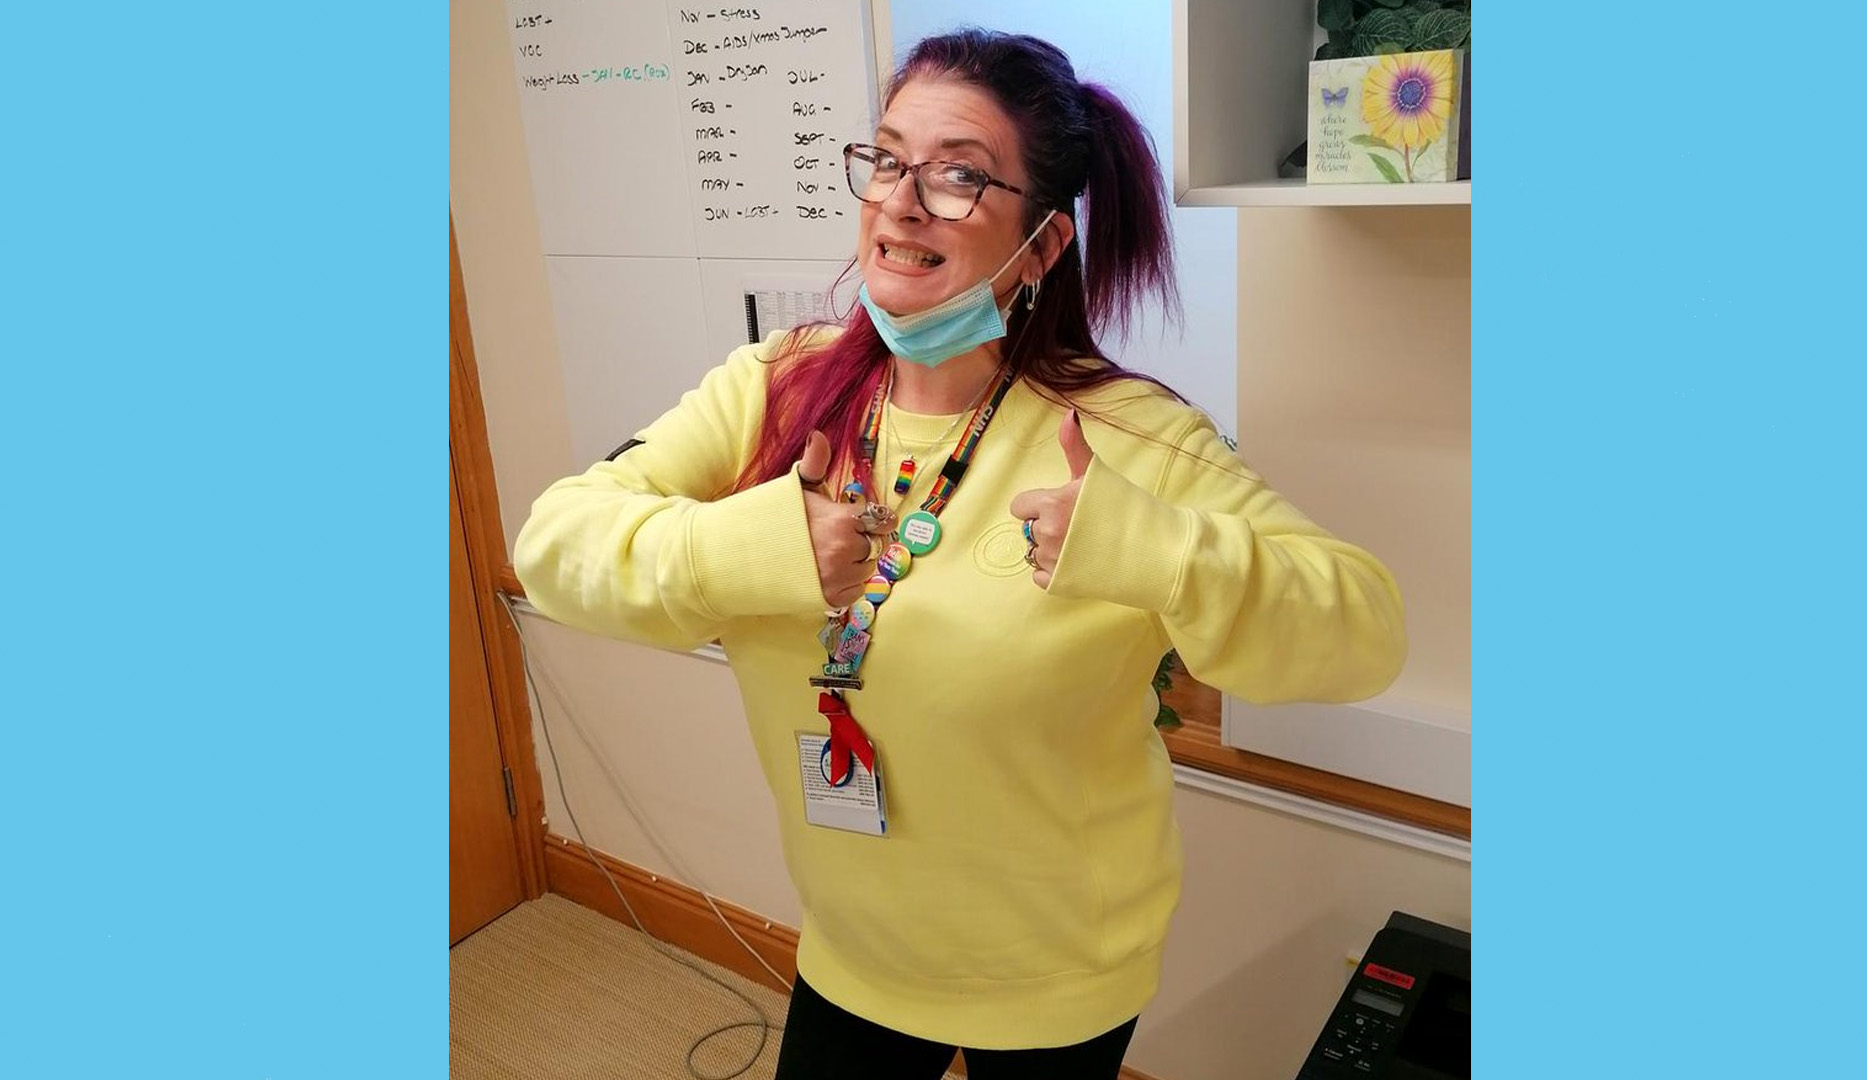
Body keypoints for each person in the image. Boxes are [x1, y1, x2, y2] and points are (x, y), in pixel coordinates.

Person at [513, 27, 1407, 1080]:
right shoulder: (779, 385)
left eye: (959, 177)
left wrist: (1155, 552)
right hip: (858, 947)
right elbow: (554, 547)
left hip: (1058, 967)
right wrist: (748, 547)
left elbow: (1364, 633)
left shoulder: (1125, 436)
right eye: (888, 159)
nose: (899, 200)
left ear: (1041, 246)